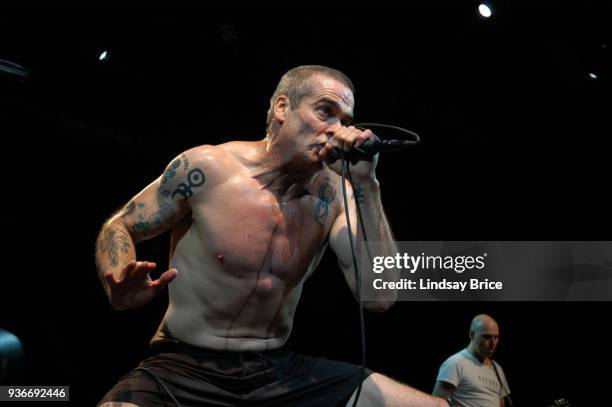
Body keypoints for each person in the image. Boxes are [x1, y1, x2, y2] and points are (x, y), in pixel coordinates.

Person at [95, 65, 445, 407]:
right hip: (184, 366)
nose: (338, 130)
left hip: (277, 371)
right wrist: (118, 279)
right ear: (282, 107)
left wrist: (367, 183)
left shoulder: (335, 195)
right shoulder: (207, 167)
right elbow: (118, 225)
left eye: (346, 121)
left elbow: (379, 296)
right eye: (326, 111)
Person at [432, 314, 511, 407]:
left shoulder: (497, 368)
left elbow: (501, 403)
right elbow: (436, 403)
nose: (493, 343)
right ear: (472, 335)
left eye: (496, 337)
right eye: (487, 337)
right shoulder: (455, 363)